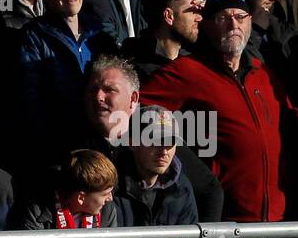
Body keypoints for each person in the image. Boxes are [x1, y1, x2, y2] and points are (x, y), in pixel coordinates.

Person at [143, 0, 296, 234]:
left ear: (249, 21)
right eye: (223, 18)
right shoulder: (187, 71)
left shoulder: (263, 74)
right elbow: (138, 110)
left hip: (277, 221)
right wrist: (179, 152)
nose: (233, 24)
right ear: (207, 25)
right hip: (225, 222)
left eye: (239, 16)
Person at [81, 54, 224, 222]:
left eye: (109, 90)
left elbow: (210, 191)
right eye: (93, 89)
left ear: (133, 99)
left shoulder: (161, 134)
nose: (98, 96)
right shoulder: (74, 146)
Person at [15, 0, 118, 163]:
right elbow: (31, 98)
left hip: (101, 143)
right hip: (59, 149)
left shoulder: (99, 35)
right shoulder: (33, 36)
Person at [112, 106, 205, 238]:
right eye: (154, 140)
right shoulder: (110, 186)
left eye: (170, 141)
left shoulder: (182, 188)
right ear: (132, 142)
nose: (164, 150)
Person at [18, 148, 132, 238]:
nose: (110, 199)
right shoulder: (39, 209)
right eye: (105, 194)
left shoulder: (107, 210)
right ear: (81, 197)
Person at [122, 0, 202, 81]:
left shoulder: (191, 61)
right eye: (192, 11)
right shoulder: (131, 65)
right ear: (169, 16)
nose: (199, 18)